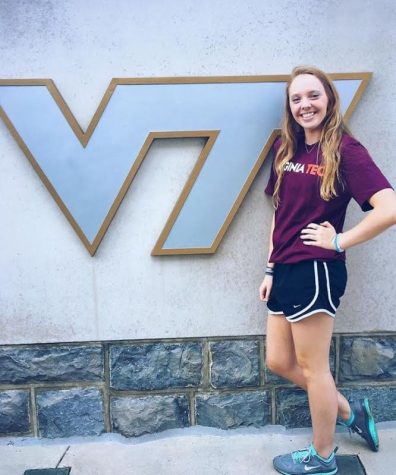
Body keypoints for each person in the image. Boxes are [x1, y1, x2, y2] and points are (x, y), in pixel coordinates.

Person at [259, 66, 396, 475]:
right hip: (284, 269)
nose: (305, 105)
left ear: (330, 99)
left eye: (313, 96)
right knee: (279, 362)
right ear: (290, 106)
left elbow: (388, 208)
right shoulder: (286, 148)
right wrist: (269, 269)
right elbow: (279, 213)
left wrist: (339, 240)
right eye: (297, 98)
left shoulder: (346, 150)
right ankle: (352, 415)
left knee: (316, 370)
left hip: (316, 271)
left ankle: (322, 459)